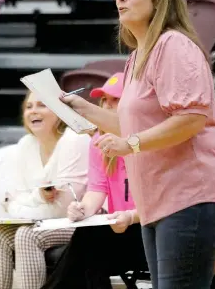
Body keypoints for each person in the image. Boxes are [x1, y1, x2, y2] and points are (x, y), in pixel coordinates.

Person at [61, 0, 215, 289]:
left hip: (188, 197)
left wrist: (130, 145)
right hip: (157, 202)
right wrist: (83, 109)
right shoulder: (137, 56)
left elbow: (191, 119)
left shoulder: (174, 46)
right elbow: (127, 123)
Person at [42, 73, 147, 289]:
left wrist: (130, 216)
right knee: (89, 244)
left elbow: (162, 200)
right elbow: (97, 189)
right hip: (121, 230)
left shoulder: (146, 140)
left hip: (149, 229)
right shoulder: (99, 142)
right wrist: (82, 208)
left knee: (89, 244)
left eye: (115, 100)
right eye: (104, 100)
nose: (107, 106)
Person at [0, 91, 91, 289]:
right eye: (29, 107)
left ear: (59, 112)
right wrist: (39, 197)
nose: (33, 111)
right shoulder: (26, 144)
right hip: (42, 221)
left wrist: (24, 203)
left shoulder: (75, 139)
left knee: (27, 234)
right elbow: (12, 201)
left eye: (42, 105)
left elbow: (61, 209)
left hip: (83, 223)